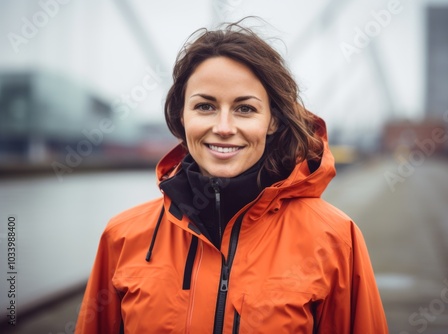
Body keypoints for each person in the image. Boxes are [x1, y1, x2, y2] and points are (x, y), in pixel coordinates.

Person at [75, 20, 388, 333]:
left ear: (273, 121)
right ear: (182, 115)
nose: (223, 127)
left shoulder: (336, 240)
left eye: (245, 109)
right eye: (205, 106)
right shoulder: (122, 237)